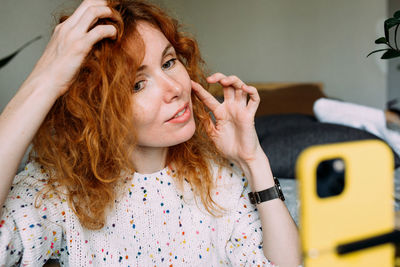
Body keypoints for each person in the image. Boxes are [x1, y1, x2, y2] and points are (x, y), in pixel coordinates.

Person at [0, 0, 301, 266]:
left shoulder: (218, 178)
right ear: (95, 108)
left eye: (169, 62)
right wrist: (45, 79)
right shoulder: (57, 189)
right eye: (137, 84)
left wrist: (253, 159)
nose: (175, 88)